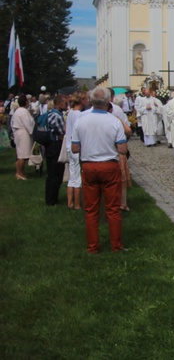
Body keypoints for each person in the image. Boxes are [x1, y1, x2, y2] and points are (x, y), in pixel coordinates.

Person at [71, 88, 128, 254]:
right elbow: (122, 149)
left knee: (91, 209)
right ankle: (116, 245)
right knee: (112, 208)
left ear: (90, 101)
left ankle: (92, 247)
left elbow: (75, 148)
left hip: (89, 165)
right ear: (108, 101)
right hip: (109, 165)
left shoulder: (81, 120)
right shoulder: (114, 121)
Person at [64, 92, 87, 209]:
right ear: (82, 101)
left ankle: (70, 202)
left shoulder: (70, 113)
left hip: (69, 146)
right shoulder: (79, 115)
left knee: (72, 176)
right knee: (77, 177)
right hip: (76, 147)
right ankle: (77, 204)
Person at [44, 95, 67, 206]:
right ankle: (52, 199)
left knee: (50, 173)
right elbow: (63, 131)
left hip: (49, 145)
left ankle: (49, 197)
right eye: (64, 103)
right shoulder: (57, 116)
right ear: (58, 103)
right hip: (56, 145)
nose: (66, 105)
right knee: (56, 173)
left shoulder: (49, 113)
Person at [11, 94, 34, 180]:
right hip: (23, 133)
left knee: (20, 154)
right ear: (25, 102)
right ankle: (19, 173)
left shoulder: (18, 111)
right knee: (23, 154)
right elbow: (27, 123)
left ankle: (20, 172)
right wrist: (32, 132)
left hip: (19, 133)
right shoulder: (23, 112)